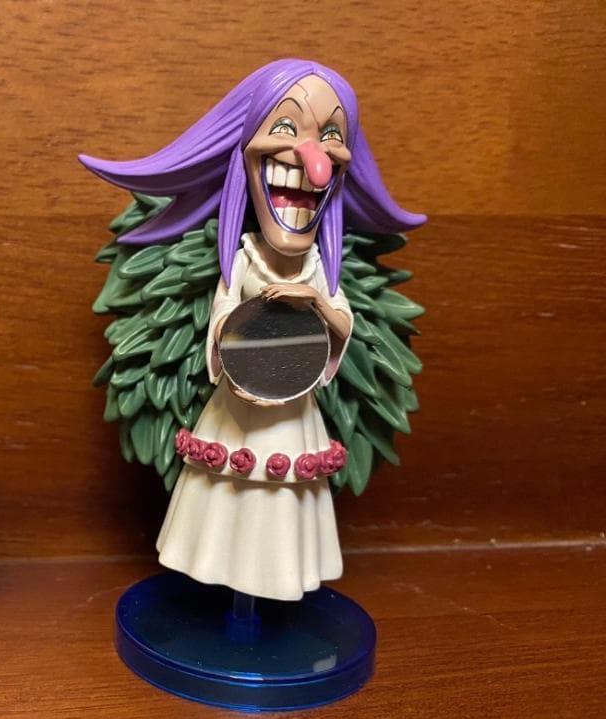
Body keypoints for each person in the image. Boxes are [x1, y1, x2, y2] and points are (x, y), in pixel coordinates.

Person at [81, 60, 424, 601]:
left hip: (294, 405)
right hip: (239, 404)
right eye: (285, 126)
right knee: (229, 496)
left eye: (331, 135)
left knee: (281, 497)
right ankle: (222, 573)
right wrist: (236, 362)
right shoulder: (242, 259)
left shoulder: (320, 267)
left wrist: (313, 301)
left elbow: (343, 321)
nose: (312, 157)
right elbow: (220, 319)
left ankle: (276, 579)